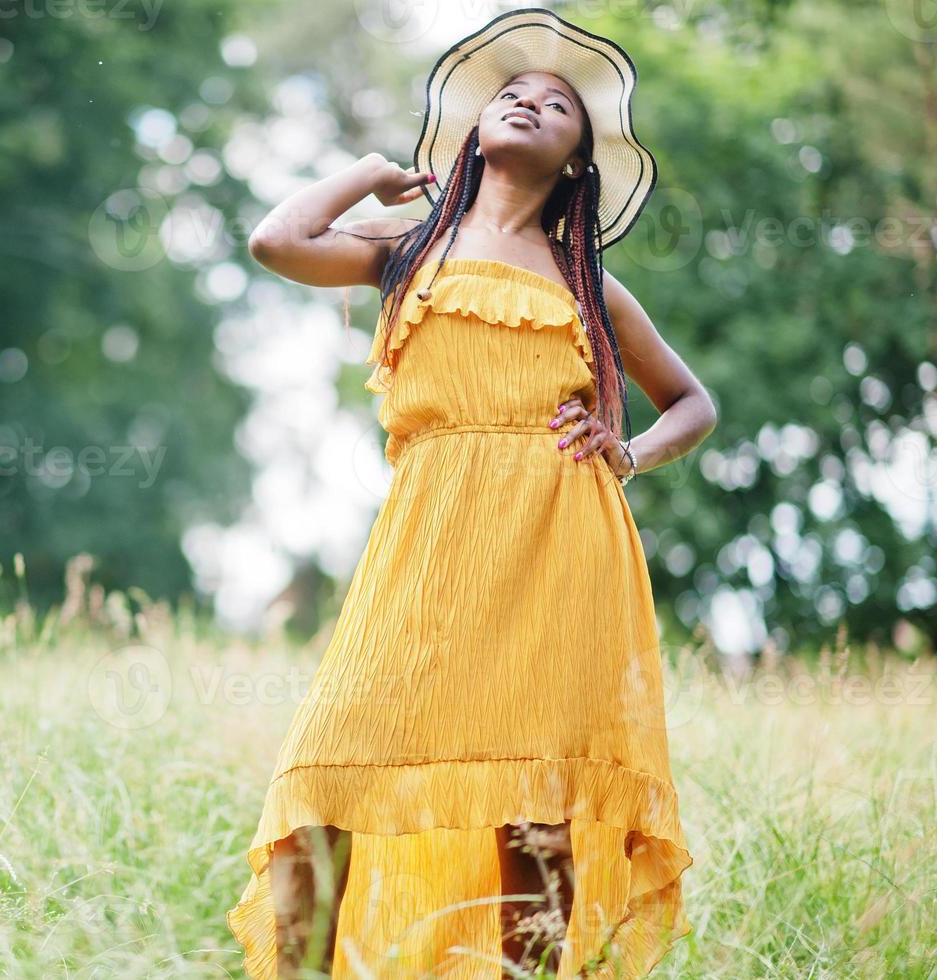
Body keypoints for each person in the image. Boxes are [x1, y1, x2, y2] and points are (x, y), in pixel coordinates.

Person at [225, 9, 718, 979]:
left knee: (535, 804)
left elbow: (694, 402)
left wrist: (628, 451)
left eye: (558, 105)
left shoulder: (590, 280)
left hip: (560, 542)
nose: (531, 102)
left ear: (579, 160)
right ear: (474, 131)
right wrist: (369, 170)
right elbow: (277, 242)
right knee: (327, 772)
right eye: (513, 94)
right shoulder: (406, 248)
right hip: (427, 540)